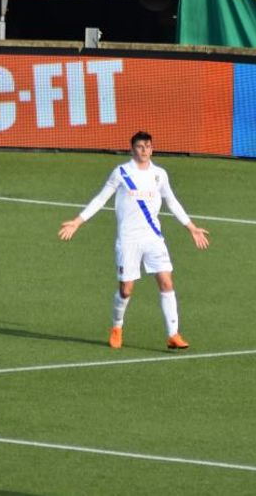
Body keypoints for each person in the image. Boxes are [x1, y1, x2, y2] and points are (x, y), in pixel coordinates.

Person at [58, 131, 210, 350]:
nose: (144, 150)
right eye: (140, 147)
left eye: (148, 146)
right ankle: (117, 327)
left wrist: (192, 227)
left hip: (153, 238)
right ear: (132, 149)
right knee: (126, 290)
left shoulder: (160, 174)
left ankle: (173, 334)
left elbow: (172, 202)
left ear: (152, 148)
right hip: (128, 241)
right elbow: (101, 199)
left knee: (167, 282)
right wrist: (77, 222)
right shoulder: (121, 173)